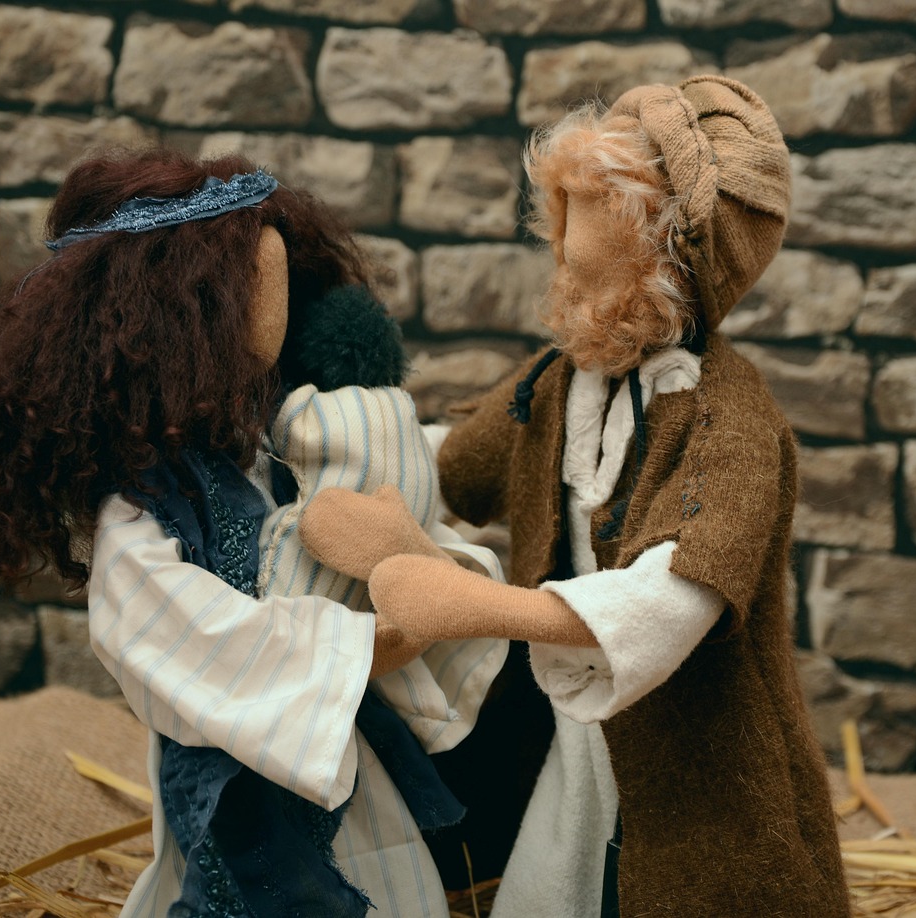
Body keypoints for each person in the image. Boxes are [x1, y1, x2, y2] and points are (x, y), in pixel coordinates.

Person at [299, 77, 852, 917]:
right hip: (575, 729)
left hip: (696, 749)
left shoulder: (730, 423)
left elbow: (674, 596)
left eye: (590, 262)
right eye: (562, 243)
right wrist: (335, 449)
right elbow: (452, 463)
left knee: (689, 881)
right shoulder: (562, 384)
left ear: (669, 266)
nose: (565, 268)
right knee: (555, 874)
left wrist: (475, 603)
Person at [0, 149, 506, 918]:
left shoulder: (285, 436)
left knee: (390, 880)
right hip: (248, 784)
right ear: (178, 312)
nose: (276, 315)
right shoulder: (142, 513)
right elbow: (190, 639)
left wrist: (425, 538)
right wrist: (379, 638)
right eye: (253, 289)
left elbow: (406, 488)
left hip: (349, 758)